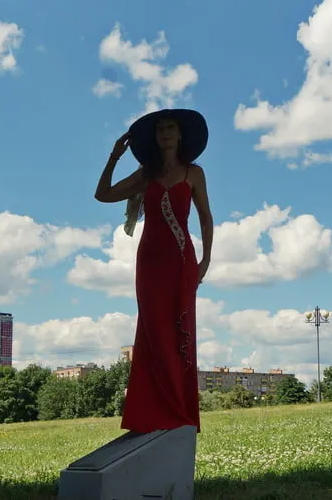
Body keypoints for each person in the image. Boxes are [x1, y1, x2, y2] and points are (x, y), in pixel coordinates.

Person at [94, 108, 214, 433]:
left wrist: (205, 261)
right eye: (160, 128)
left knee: (179, 330)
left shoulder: (194, 173)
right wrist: (113, 157)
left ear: (179, 134)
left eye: (170, 128)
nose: (165, 133)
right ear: (156, 136)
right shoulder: (145, 174)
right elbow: (102, 195)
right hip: (149, 263)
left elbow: (205, 217)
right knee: (152, 332)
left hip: (181, 261)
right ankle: (150, 414)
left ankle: (180, 410)